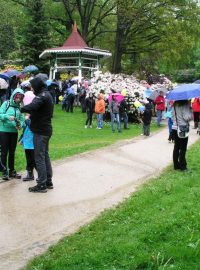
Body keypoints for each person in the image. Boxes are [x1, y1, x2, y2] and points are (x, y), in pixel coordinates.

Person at [21, 77, 54, 193]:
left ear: (37, 86)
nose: (32, 88)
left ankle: (41, 184)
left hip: (40, 131)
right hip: (46, 130)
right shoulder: (47, 94)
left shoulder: (42, 96)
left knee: (39, 157)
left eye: (33, 86)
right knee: (44, 155)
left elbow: (33, 106)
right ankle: (48, 181)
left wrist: (21, 108)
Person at [0, 88, 24, 180]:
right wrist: (7, 117)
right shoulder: (6, 104)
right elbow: (0, 114)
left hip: (14, 132)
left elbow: (22, 119)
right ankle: (4, 172)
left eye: (20, 97)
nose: (18, 98)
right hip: (3, 131)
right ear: (14, 95)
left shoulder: (19, 107)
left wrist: (20, 125)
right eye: (17, 96)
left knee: (12, 152)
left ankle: (12, 171)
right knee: (4, 152)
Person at [171, 100, 193, 172]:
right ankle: (183, 167)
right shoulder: (185, 104)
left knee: (176, 147)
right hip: (182, 128)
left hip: (174, 127)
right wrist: (190, 111)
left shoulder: (175, 104)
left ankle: (176, 165)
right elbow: (187, 117)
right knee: (183, 148)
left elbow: (172, 117)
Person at [20, 90, 36, 181]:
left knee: (34, 160)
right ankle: (30, 174)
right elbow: (25, 129)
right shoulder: (27, 114)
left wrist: (27, 119)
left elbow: (33, 127)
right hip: (27, 142)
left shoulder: (33, 114)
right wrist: (22, 139)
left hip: (33, 142)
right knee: (29, 159)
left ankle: (42, 177)